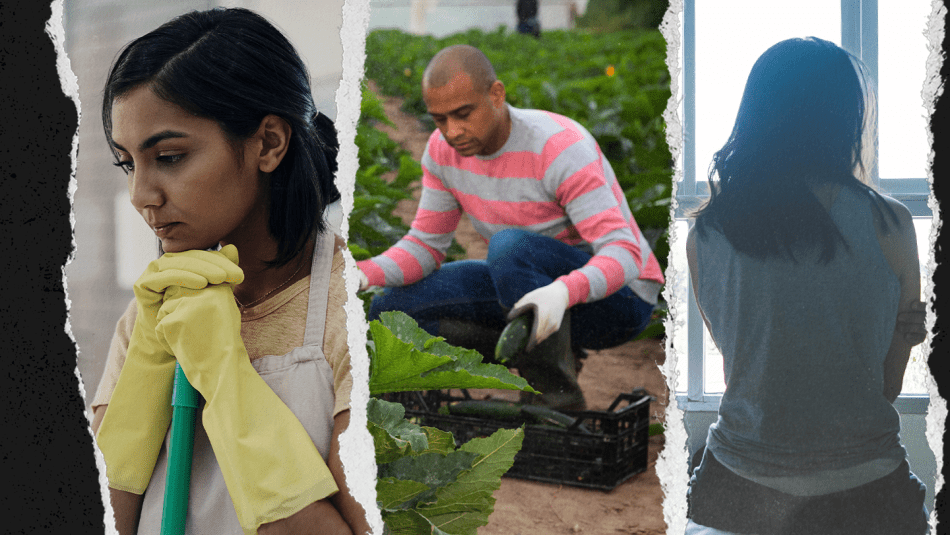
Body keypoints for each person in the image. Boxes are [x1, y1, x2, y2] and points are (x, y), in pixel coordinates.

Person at [89, 8, 369, 535]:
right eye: (128, 163)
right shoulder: (155, 312)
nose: (141, 196)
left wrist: (226, 377)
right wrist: (148, 362)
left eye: (169, 156)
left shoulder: (352, 313)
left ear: (268, 143)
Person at [684, 37, 929, 534]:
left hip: (737, 489)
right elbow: (885, 387)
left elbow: (748, 368)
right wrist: (901, 333)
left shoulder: (705, 235)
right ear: (845, 118)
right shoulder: (892, 224)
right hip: (867, 489)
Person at [356, 44, 664, 411]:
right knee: (392, 308)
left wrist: (563, 292)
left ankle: (556, 403)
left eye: (463, 114)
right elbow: (424, 247)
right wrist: (361, 274)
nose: (452, 131)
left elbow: (625, 254)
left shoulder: (559, 146)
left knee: (509, 248)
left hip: (618, 300)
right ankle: (539, 355)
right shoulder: (442, 152)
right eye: (440, 119)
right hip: (527, 288)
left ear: (496, 95)